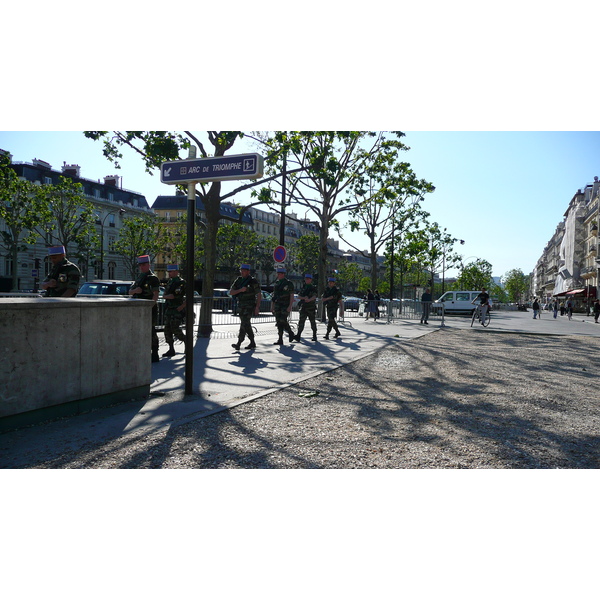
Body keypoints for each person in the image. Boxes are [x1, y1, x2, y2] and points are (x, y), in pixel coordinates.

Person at [129, 254, 161, 363]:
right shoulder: (140, 278)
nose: (141, 267)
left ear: (149, 265)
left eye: (144, 265)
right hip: (138, 309)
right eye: (140, 265)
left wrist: (150, 306)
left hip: (149, 308)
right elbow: (130, 291)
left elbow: (155, 295)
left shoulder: (153, 278)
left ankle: (155, 352)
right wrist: (135, 291)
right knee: (139, 331)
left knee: (151, 331)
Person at [229, 264, 261, 351]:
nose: (242, 272)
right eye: (241, 270)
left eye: (244, 270)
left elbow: (259, 294)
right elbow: (231, 292)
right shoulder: (238, 280)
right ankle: (252, 342)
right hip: (241, 306)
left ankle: (239, 342)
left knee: (244, 322)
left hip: (250, 306)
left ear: (248, 271)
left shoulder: (253, 281)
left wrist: (257, 307)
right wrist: (240, 290)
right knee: (246, 324)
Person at [162, 265, 187, 358]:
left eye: (171, 272)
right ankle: (171, 349)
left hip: (177, 309)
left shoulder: (181, 282)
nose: (169, 273)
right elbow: (166, 295)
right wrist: (168, 296)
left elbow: (188, 296)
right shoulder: (170, 282)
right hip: (169, 308)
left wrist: (182, 306)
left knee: (175, 329)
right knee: (167, 329)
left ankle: (186, 341)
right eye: (169, 272)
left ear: (176, 272)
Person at [271, 266, 295, 345]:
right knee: (278, 322)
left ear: (283, 274)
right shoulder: (277, 283)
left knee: (283, 320)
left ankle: (290, 332)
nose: (278, 275)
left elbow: (291, 295)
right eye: (278, 273)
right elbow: (274, 296)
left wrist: (290, 306)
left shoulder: (288, 283)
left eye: (280, 273)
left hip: (285, 304)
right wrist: (272, 306)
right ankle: (280, 339)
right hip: (278, 305)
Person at [294, 274, 318, 342]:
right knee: (301, 322)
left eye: (308, 279)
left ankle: (314, 335)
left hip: (311, 307)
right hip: (304, 307)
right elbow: (298, 296)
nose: (307, 280)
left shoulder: (313, 288)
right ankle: (298, 335)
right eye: (306, 279)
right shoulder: (304, 288)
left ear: (311, 280)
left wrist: (309, 299)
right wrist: (304, 298)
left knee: (312, 322)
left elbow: (315, 296)